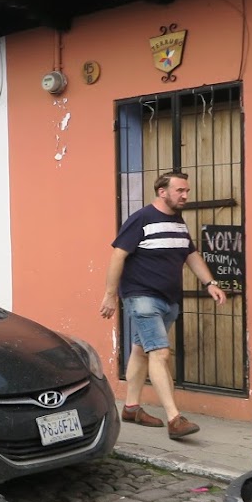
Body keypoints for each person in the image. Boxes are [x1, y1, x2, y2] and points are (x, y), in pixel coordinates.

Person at [100, 170, 226, 439]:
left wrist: (210, 283)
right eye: (180, 190)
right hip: (142, 297)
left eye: (187, 191)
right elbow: (118, 255)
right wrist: (110, 294)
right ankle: (174, 419)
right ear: (162, 192)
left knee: (141, 350)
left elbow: (191, 255)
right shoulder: (141, 219)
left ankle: (131, 408)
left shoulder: (178, 222)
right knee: (160, 353)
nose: (185, 195)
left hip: (169, 299)